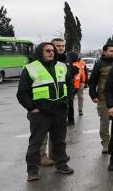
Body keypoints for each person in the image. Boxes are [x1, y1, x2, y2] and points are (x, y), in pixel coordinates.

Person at [16, 42, 74, 181]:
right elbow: (22, 93)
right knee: (36, 143)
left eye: (52, 50)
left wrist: (67, 101)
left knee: (59, 141)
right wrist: (31, 108)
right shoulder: (31, 68)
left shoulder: (62, 66)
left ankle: (61, 165)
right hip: (40, 113)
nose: (51, 53)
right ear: (40, 52)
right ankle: (32, 171)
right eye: (47, 50)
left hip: (59, 111)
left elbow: (70, 86)